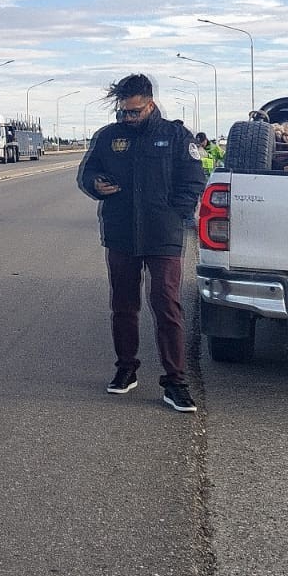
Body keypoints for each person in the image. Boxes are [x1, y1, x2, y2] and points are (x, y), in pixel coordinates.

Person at [76, 74, 208, 412]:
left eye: (134, 112)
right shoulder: (109, 137)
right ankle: (125, 370)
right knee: (123, 304)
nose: (128, 118)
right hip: (121, 233)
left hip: (162, 235)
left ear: (150, 104)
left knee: (166, 304)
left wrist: (174, 212)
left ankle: (175, 382)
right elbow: (86, 173)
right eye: (123, 112)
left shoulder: (176, 136)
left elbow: (194, 179)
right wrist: (96, 185)